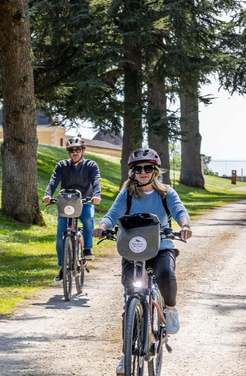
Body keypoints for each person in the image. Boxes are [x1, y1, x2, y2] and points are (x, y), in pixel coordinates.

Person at [91, 147, 192, 376]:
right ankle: (127, 353)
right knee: (131, 297)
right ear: (133, 172)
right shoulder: (127, 193)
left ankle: (170, 309)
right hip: (133, 249)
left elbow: (179, 211)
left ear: (155, 171)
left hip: (160, 246)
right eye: (138, 169)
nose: (143, 172)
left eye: (147, 168)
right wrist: (103, 226)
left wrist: (184, 225)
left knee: (165, 274)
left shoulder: (166, 193)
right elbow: (113, 214)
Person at [42, 136, 102, 282]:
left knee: (87, 218)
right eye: (72, 150)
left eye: (78, 150)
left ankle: (87, 249)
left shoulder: (91, 165)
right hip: (66, 202)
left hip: (85, 201)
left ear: (83, 151)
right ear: (69, 152)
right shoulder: (62, 165)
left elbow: (96, 181)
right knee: (60, 236)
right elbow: (53, 181)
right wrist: (48, 195)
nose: (75, 152)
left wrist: (96, 195)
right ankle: (63, 267)